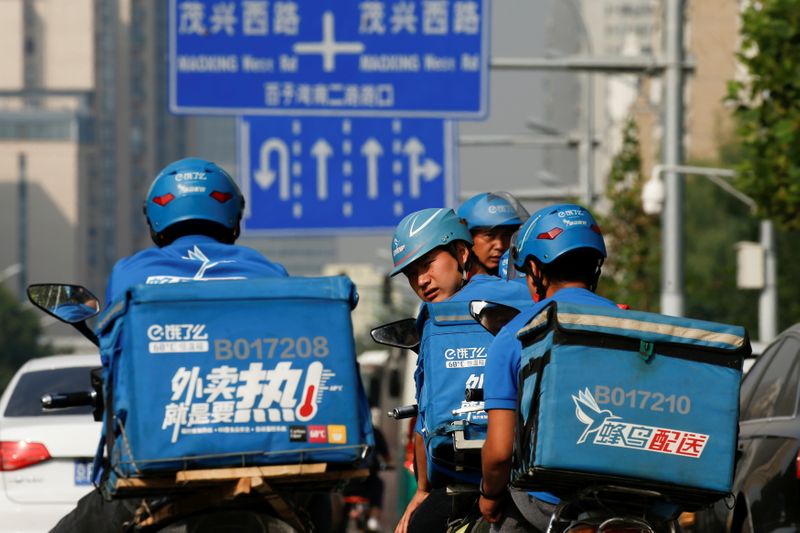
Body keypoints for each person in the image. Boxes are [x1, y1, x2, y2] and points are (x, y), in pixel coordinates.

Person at [51, 158, 291, 532]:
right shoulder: (268, 271)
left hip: (157, 457)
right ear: (233, 216)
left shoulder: (131, 271)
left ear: (155, 219)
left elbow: (115, 353)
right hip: (264, 454)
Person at [389, 208, 530, 533]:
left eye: (427, 264)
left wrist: (422, 491)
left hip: (473, 477)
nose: (421, 280)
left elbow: (426, 422)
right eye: (412, 273)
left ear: (462, 254)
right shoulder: (526, 295)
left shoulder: (434, 320)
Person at [479, 204, 617, 532]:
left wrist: (489, 494)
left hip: (547, 502)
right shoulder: (631, 324)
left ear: (534, 269)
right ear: (595, 267)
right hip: (623, 498)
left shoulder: (515, 334)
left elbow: (500, 452)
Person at [457, 192, 528, 277]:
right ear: (467, 238)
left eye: (507, 235)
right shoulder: (453, 283)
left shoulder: (523, 280)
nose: (500, 246)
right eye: (489, 235)